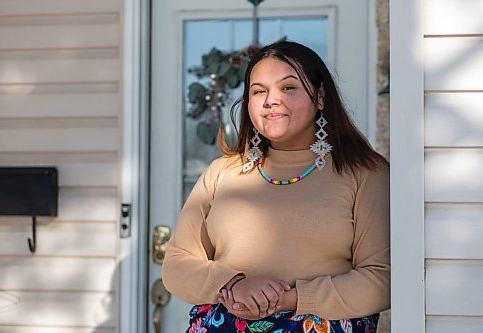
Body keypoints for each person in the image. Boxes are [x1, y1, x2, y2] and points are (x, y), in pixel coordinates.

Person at [162, 40, 390, 333]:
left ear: (320, 97)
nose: (271, 100)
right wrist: (233, 284)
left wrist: (291, 299)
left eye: (288, 87)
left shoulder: (365, 173)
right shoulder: (221, 173)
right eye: (258, 91)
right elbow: (177, 264)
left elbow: (382, 279)